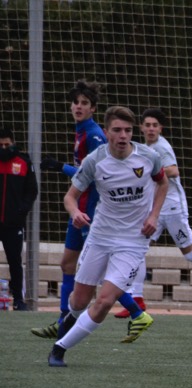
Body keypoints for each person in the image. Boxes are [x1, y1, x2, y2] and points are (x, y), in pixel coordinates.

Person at [47, 106, 167, 367]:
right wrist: (76, 212)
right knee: (78, 301)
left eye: (128, 130)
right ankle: (67, 324)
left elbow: (163, 182)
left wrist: (154, 216)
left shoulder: (148, 157)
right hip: (100, 236)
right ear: (107, 132)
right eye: (117, 130)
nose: (123, 135)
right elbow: (70, 197)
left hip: (133, 241)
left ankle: (59, 349)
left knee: (104, 301)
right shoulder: (95, 160)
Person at [32, 80, 145, 339]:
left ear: (93, 108)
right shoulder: (82, 130)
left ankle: (137, 313)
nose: (78, 107)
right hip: (79, 209)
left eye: (84, 103)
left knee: (95, 272)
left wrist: (61, 167)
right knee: (67, 263)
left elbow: (93, 176)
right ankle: (62, 319)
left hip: (92, 211)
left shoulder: (94, 134)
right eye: (76, 102)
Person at [114, 108, 192, 318]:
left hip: (172, 208)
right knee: (137, 249)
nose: (151, 128)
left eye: (155, 125)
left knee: (190, 253)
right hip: (155, 208)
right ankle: (136, 300)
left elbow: (173, 170)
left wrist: (147, 172)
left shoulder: (161, 147)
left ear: (160, 128)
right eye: (147, 125)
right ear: (141, 127)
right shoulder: (146, 147)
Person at [0, 128, 39, 310]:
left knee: (15, 261)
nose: (4, 148)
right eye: (0, 145)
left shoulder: (23, 162)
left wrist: (21, 210)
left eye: (7, 144)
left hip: (13, 223)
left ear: (13, 143)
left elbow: (32, 191)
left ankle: (18, 300)